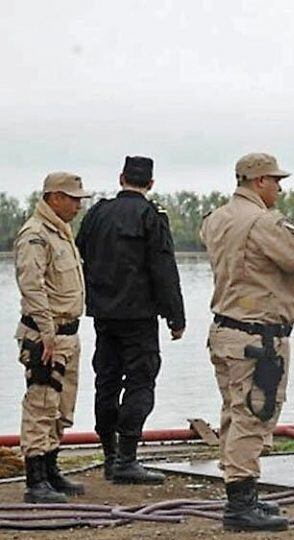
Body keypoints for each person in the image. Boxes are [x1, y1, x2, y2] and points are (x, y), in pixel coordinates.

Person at [200, 152, 294, 532]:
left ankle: (242, 493)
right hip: (257, 337)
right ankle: (240, 506)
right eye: (275, 181)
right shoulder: (261, 222)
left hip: (226, 332)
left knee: (234, 412)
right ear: (258, 182)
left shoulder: (217, 218)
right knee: (254, 415)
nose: (280, 188)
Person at [75, 156, 186, 485]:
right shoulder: (151, 216)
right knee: (140, 382)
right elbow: (163, 269)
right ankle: (126, 459)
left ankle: (110, 457)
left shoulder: (97, 212)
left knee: (105, 381)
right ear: (150, 184)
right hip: (139, 316)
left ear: (121, 177)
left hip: (103, 314)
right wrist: (175, 317)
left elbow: (79, 251)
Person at [14, 172, 91, 503]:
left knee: (61, 406)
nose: (78, 205)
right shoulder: (35, 236)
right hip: (47, 335)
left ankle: (51, 468)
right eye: (73, 199)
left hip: (67, 334)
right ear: (54, 198)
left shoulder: (62, 233)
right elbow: (32, 287)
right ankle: (36, 479)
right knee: (41, 403)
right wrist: (45, 332)